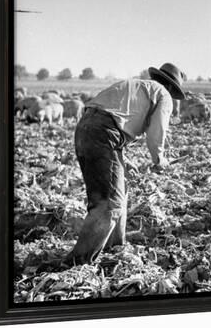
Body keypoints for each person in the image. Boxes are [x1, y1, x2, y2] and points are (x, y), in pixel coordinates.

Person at [65, 63, 185, 265]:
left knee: (120, 190)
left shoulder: (137, 85)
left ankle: (116, 247)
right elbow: (157, 132)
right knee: (108, 204)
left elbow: (109, 118)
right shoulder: (163, 94)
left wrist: (123, 160)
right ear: (172, 87)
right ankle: (77, 262)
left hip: (86, 128)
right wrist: (159, 160)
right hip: (104, 134)